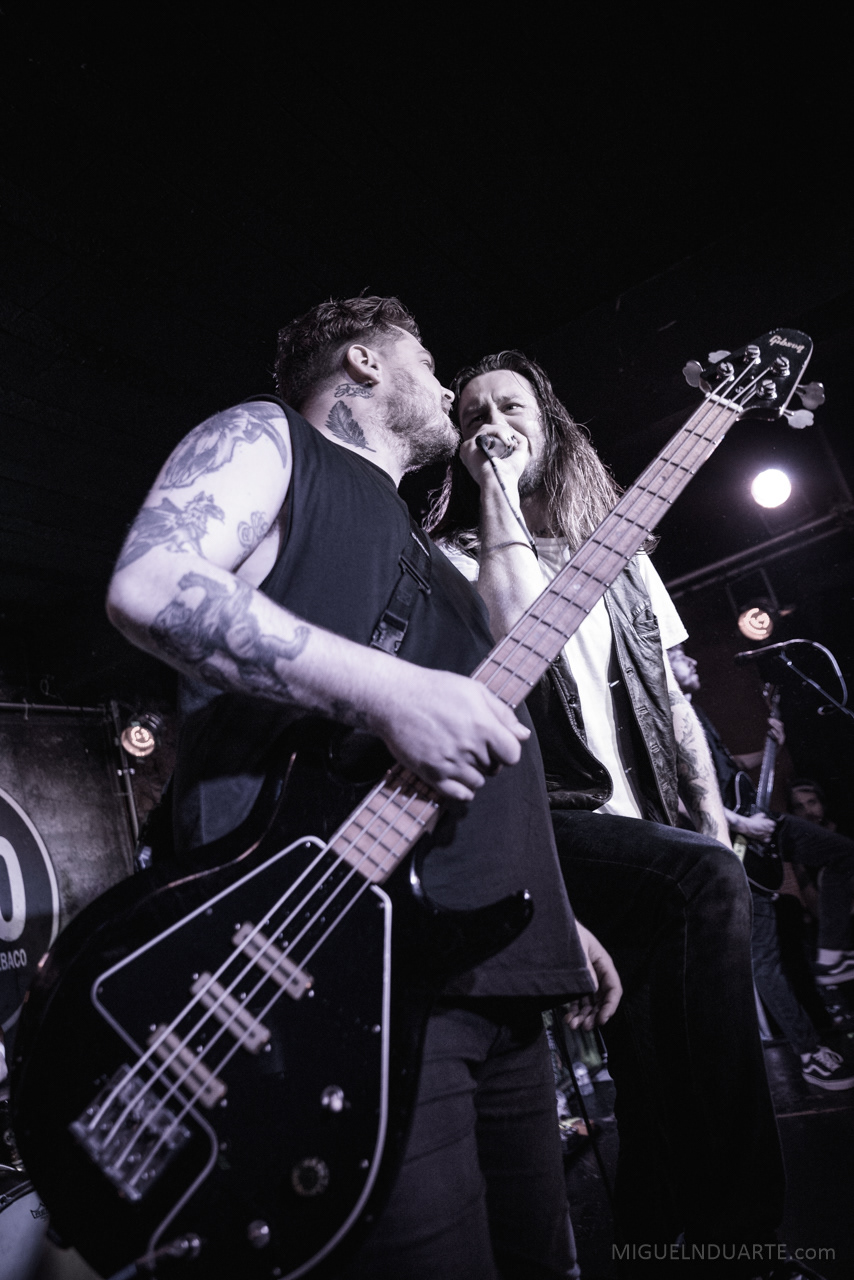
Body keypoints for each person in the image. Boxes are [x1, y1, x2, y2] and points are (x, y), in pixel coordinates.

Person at [106, 296, 620, 1280]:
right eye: (426, 359)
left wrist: (555, 913)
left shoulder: (437, 560)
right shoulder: (272, 440)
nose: (448, 386)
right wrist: (388, 690)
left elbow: (496, 732)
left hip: (498, 964)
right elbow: (153, 583)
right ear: (365, 361)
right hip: (348, 977)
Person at [429, 349, 814, 1279]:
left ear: (551, 425)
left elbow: (674, 708)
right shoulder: (454, 559)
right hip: (554, 828)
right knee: (686, 977)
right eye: (473, 414)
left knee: (652, 1055)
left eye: (511, 407)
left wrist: (710, 824)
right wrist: (497, 491)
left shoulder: (622, 558)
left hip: (652, 835)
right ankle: (749, 1242)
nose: (492, 424)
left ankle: (659, 1237)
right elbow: (517, 633)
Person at [668, 644, 854, 1091]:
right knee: (765, 959)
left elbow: (727, 771)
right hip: (731, 841)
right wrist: (741, 824)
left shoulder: (696, 714)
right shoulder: (666, 718)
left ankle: (831, 954)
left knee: (843, 853)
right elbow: (677, 797)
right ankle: (810, 1053)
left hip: (756, 828)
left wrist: (769, 747)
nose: (693, 660)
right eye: (679, 655)